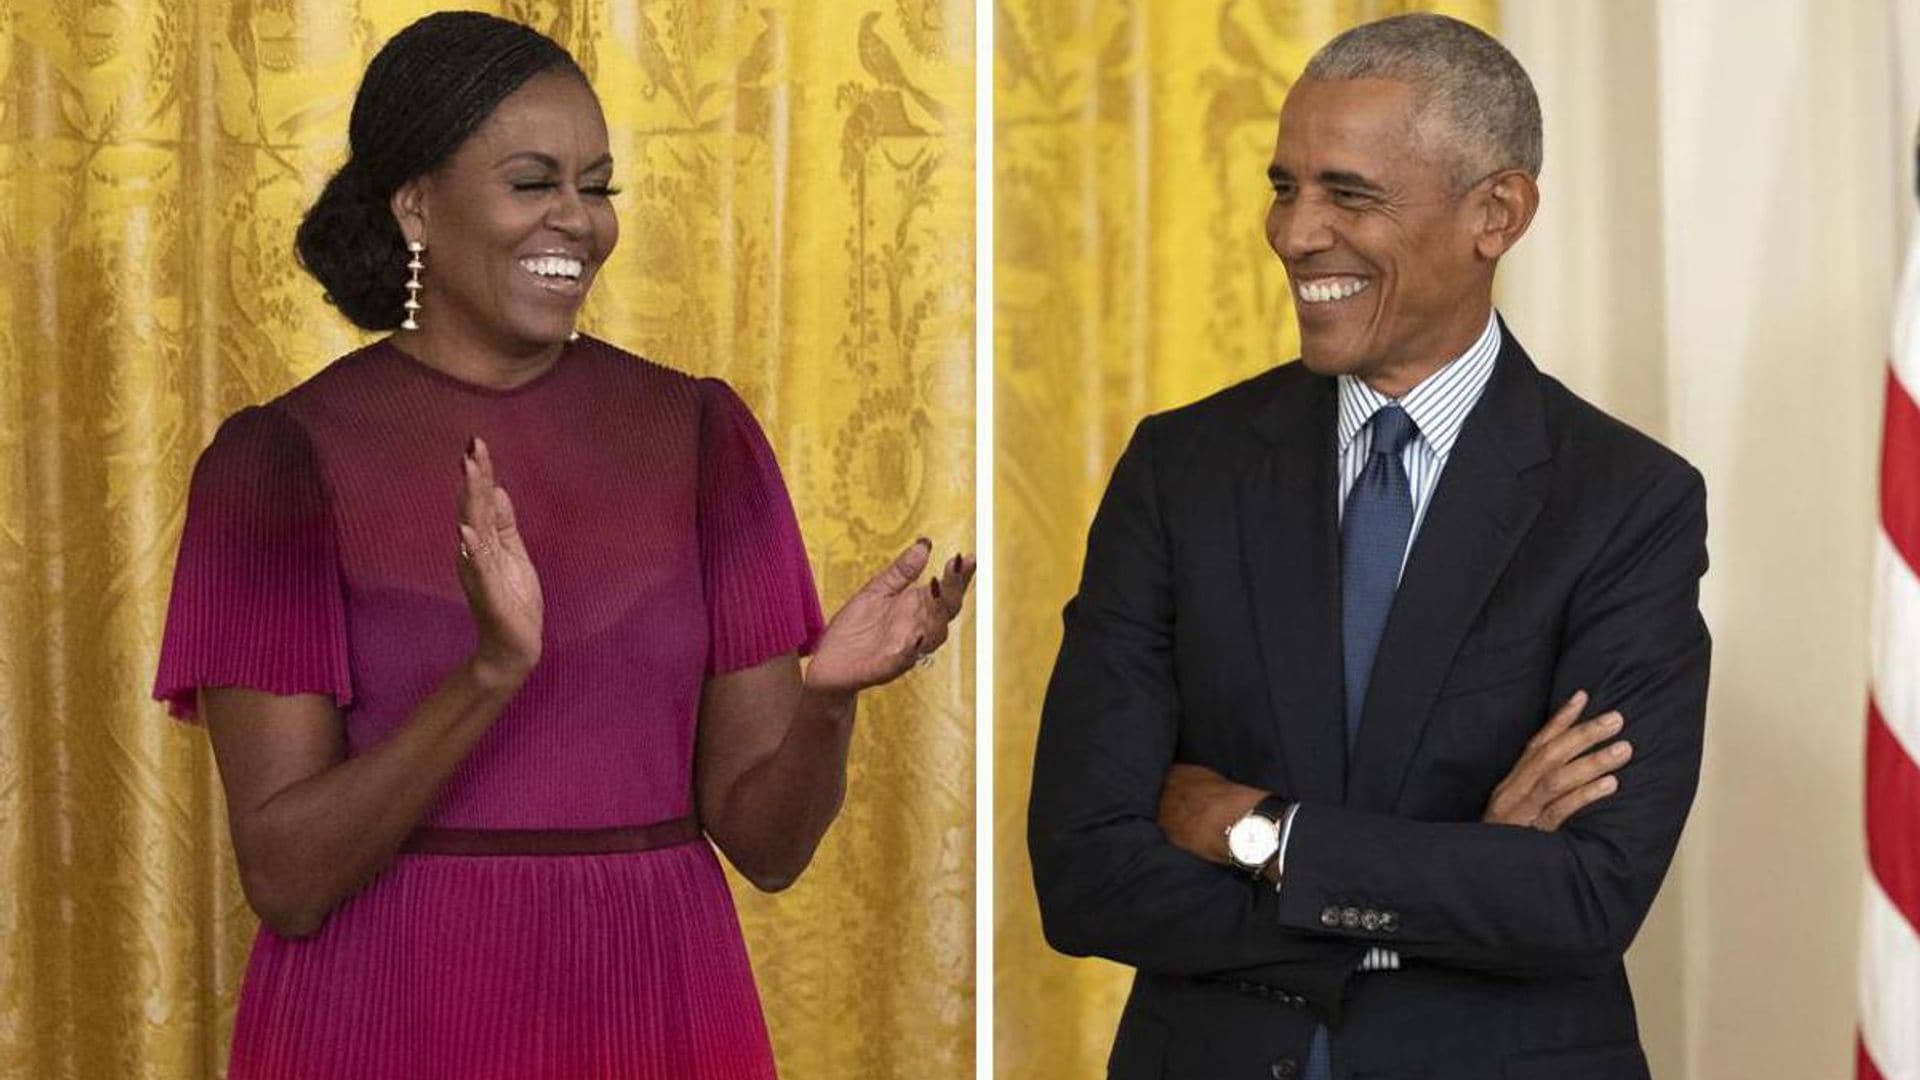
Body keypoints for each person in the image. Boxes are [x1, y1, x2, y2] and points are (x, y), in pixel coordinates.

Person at [151, 13, 972, 1079]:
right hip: (390, 1014)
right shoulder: (278, 463)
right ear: (416, 204)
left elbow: (768, 847)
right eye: (534, 182)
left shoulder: (700, 436)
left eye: (598, 186)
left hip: (660, 1004)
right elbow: (288, 877)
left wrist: (829, 698)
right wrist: (492, 672)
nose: (577, 222)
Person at [1028, 14, 1705, 1080]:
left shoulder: (1626, 502)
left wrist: (1260, 835)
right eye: (1285, 186)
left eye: (1349, 194)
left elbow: (1583, 898)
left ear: (1497, 213)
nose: (1296, 234)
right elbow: (1082, 870)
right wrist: (1457, 880)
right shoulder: (1182, 469)